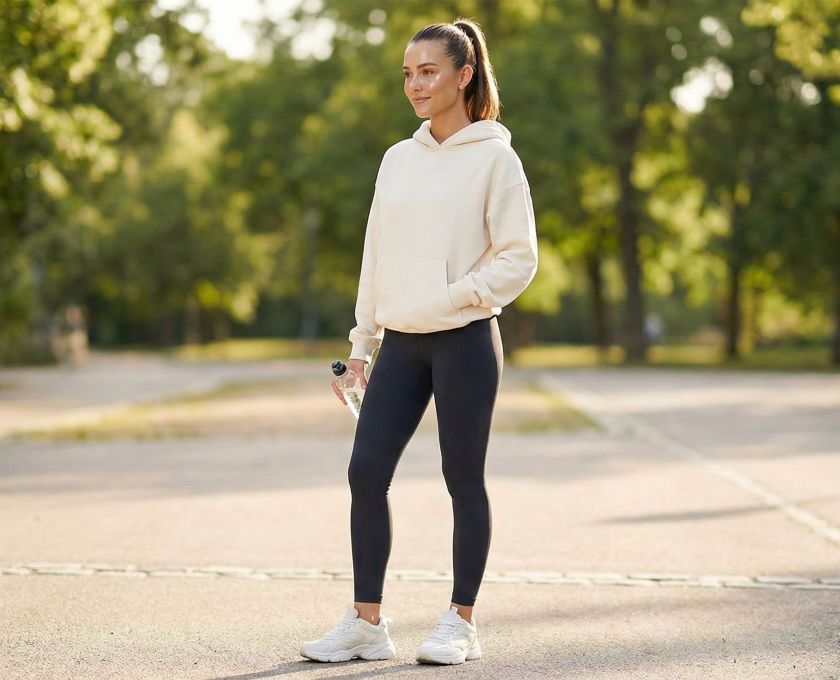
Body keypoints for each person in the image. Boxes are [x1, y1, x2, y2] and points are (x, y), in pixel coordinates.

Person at [301, 17, 538, 666]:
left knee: (463, 479)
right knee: (365, 471)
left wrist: (456, 296)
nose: (415, 84)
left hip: (464, 340)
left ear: (464, 75)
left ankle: (461, 622)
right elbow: (375, 258)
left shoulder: (496, 159)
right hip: (402, 344)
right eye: (408, 74)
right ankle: (366, 624)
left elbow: (519, 259)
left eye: (428, 71)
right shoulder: (397, 160)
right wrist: (361, 346)